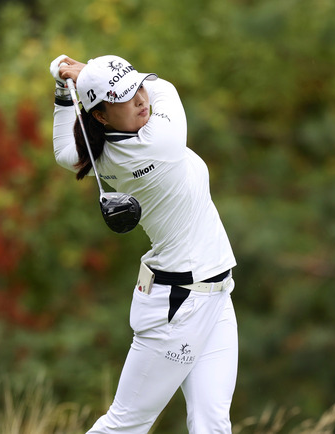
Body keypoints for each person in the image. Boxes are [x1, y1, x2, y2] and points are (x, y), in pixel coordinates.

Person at [49, 54, 238, 434]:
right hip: (179, 304)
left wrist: (63, 90)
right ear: (101, 115)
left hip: (214, 293)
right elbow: (164, 86)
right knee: (126, 424)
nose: (139, 99)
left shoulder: (93, 152)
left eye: (136, 87)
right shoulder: (160, 141)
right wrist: (85, 72)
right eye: (122, 96)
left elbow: (62, 152)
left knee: (212, 425)